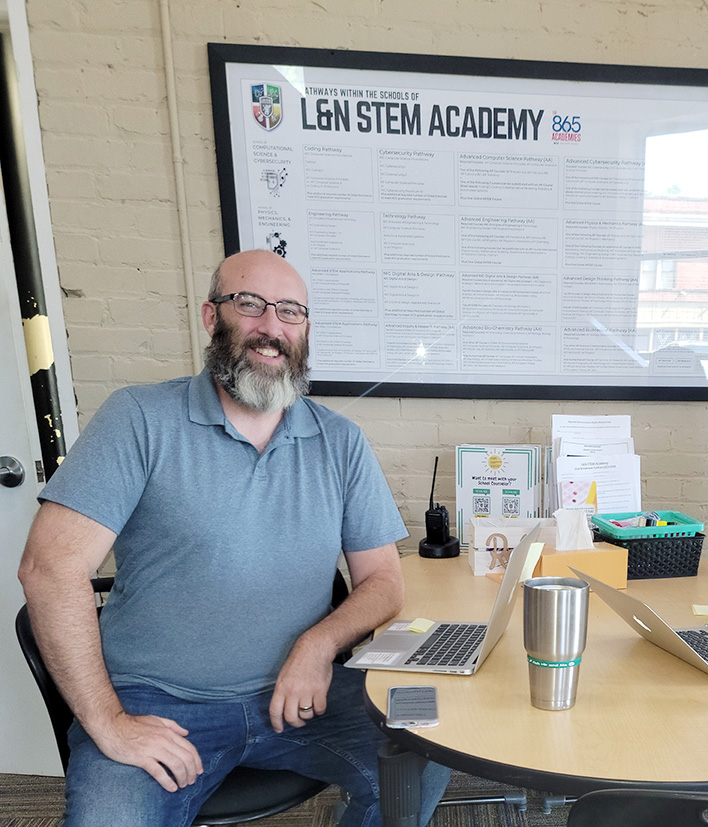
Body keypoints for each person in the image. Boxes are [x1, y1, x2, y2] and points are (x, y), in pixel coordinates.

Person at [18, 249, 451, 827]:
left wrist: (318, 645)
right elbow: (49, 569)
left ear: (304, 330)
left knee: (425, 753)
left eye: (290, 312)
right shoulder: (139, 419)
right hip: (157, 702)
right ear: (210, 315)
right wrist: (107, 722)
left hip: (303, 697)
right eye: (250, 305)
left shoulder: (340, 442)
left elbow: (383, 581)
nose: (271, 327)